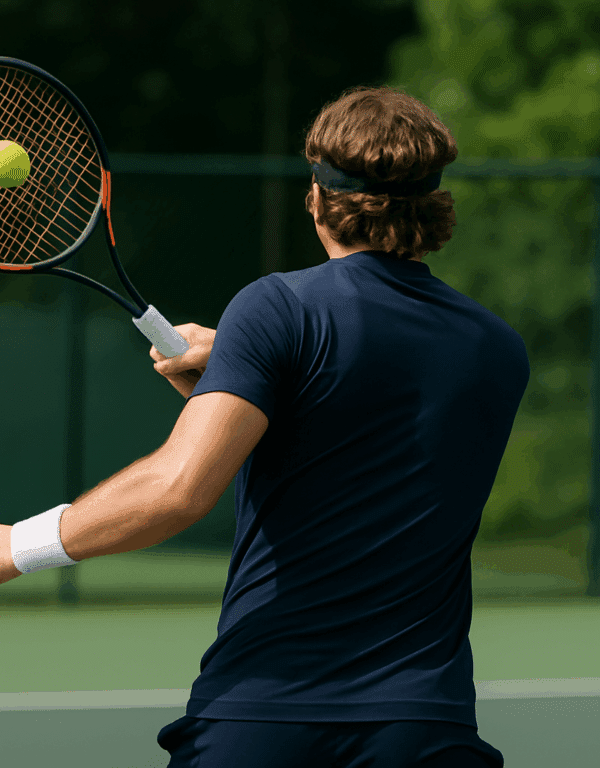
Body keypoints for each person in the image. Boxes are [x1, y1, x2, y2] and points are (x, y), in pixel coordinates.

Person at [149, 85, 529, 767]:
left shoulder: (274, 308)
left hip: (263, 716)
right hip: (423, 726)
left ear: (319, 199)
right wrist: (242, 379)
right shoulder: (498, 349)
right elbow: (356, 443)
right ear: (435, 201)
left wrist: (17, 546)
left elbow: (179, 489)